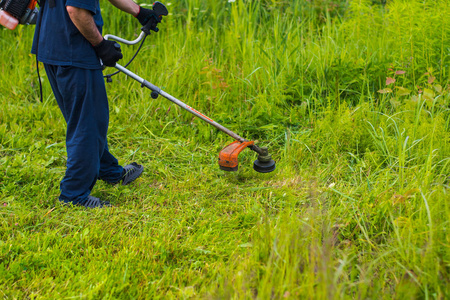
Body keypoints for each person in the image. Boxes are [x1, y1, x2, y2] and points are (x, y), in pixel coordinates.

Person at [31, 0, 160, 208]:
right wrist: (101, 45)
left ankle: (107, 170)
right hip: (74, 52)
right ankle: (74, 194)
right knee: (87, 125)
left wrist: (138, 11)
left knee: (89, 119)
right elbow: (77, 10)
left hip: (53, 46)